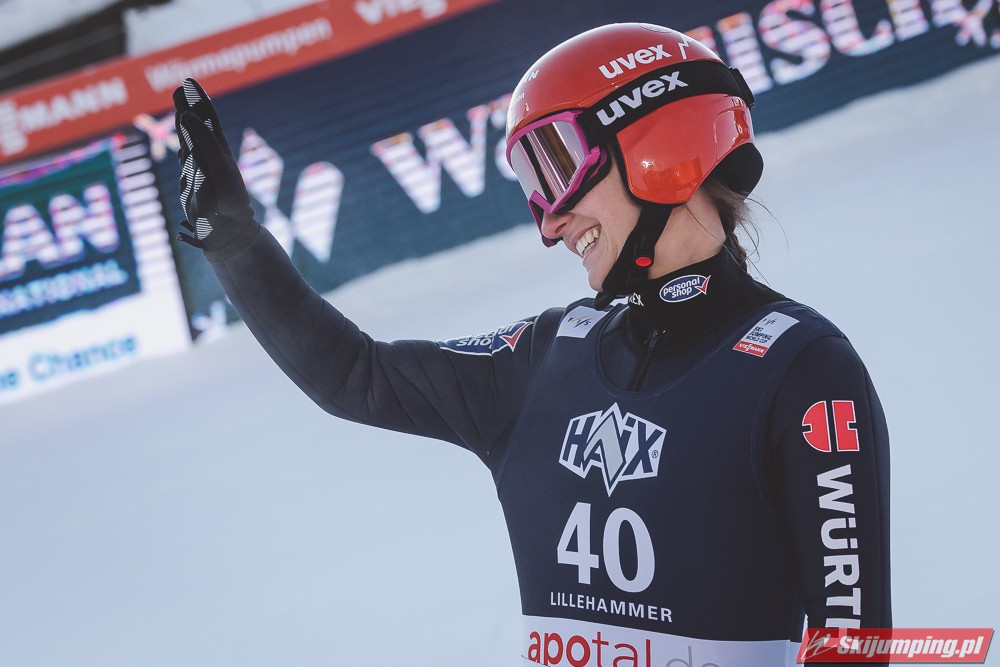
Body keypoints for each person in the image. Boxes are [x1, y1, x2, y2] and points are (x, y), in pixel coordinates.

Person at [173, 22, 890, 667]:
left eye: (557, 166)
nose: (549, 221)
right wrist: (235, 244)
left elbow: (853, 646)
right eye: (532, 183)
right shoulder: (547, 355)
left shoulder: (801, 370)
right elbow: (355, 375)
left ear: (658, 141)